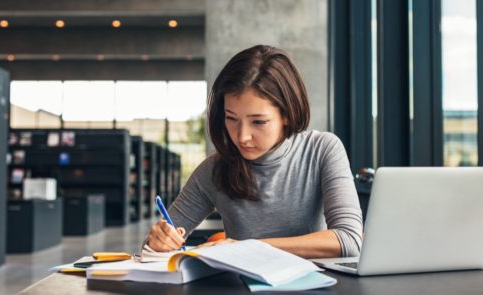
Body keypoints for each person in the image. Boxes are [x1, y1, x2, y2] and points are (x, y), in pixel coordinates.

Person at [147, 45, 363, 258]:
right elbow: (149, 253)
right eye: (231, 118)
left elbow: (349, 239)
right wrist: (157, 243)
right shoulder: (213, 170)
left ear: (287, 114)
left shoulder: (322, 150)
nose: (242, 137)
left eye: (258, 122)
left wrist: (245, 247)